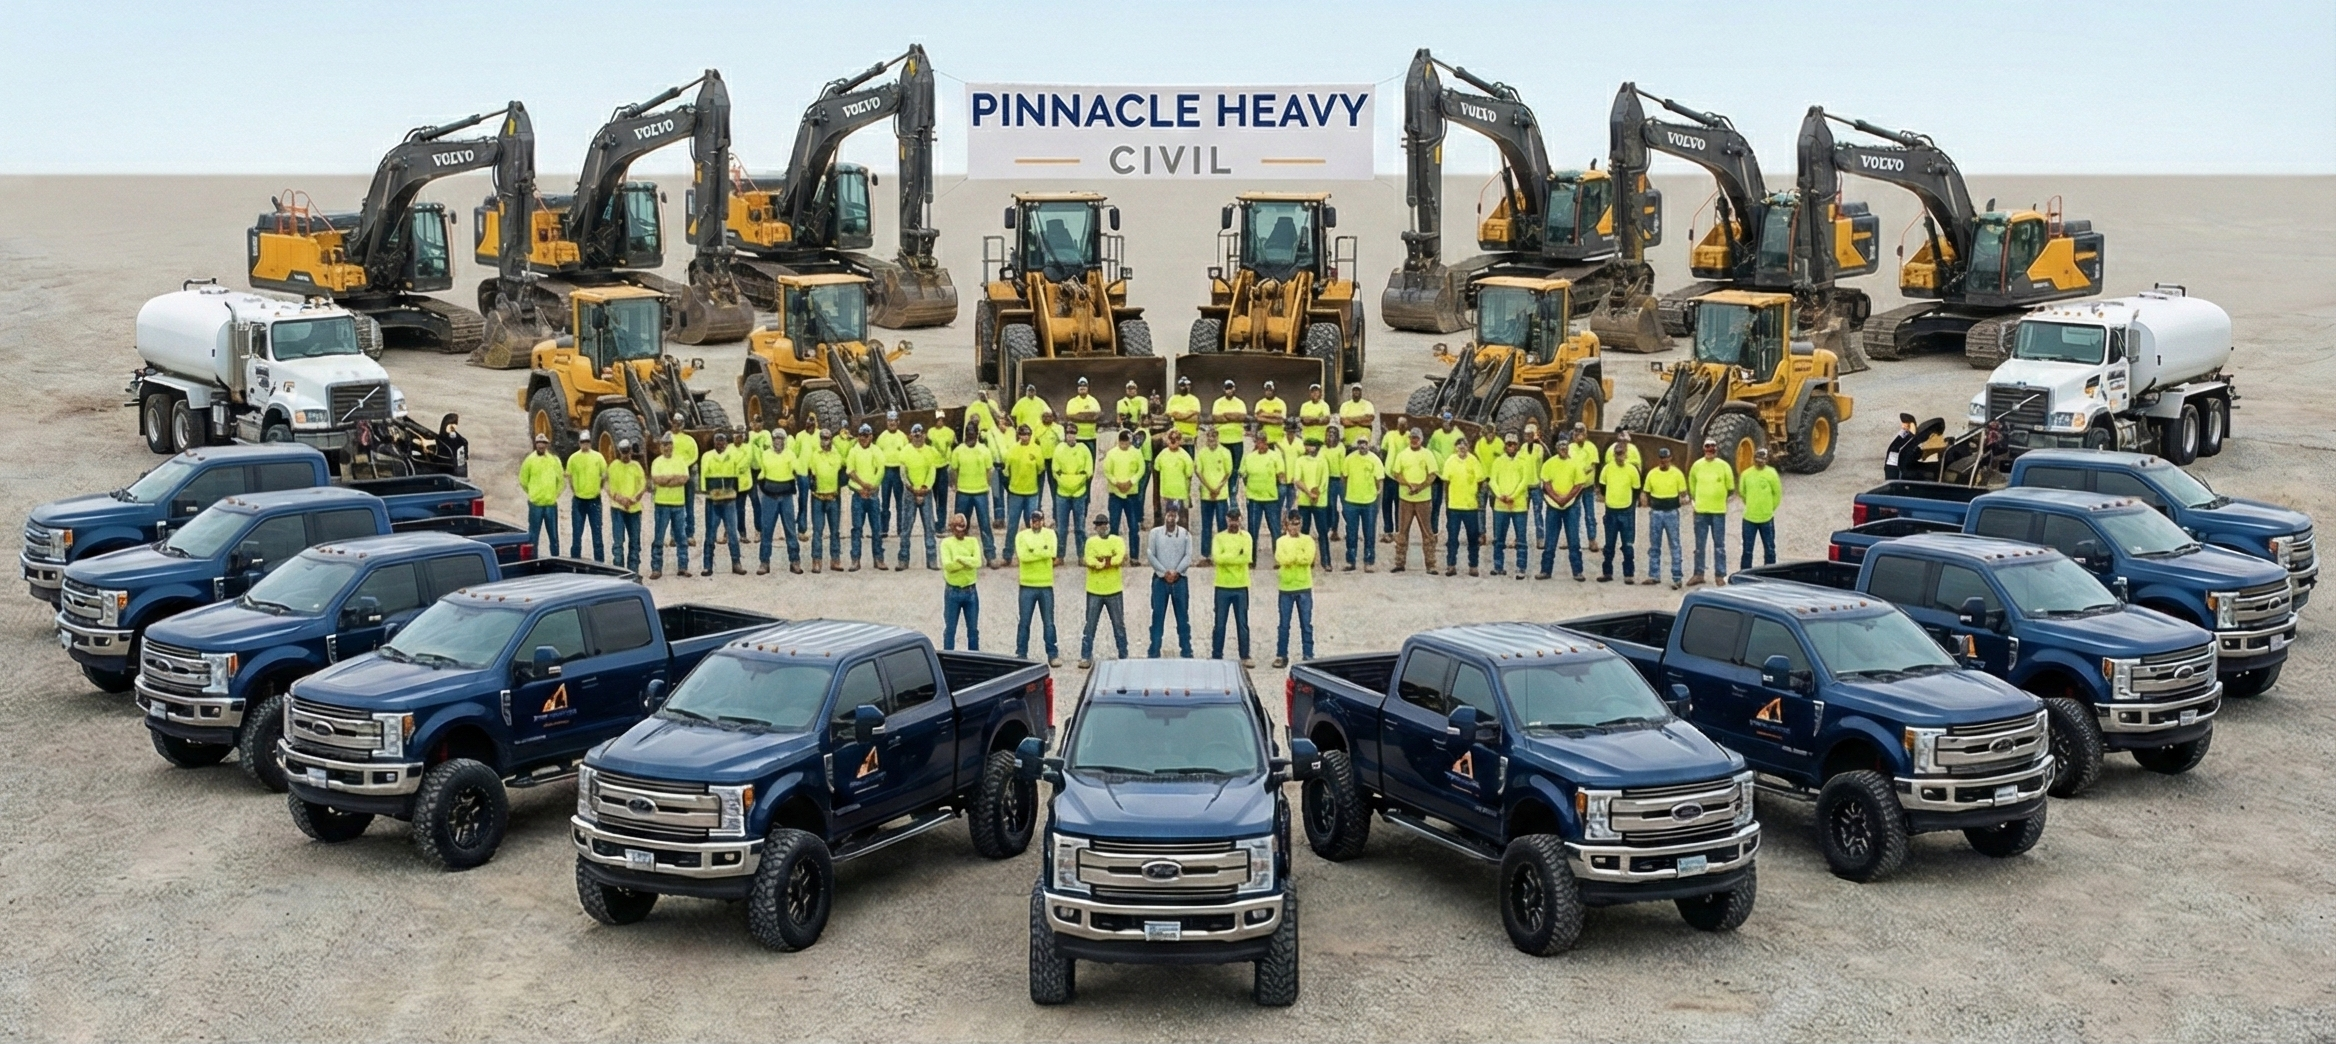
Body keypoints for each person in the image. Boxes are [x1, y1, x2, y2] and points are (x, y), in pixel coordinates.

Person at [1078, 514, 1129, 668]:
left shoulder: (1117, 540)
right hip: (1095, 590)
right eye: (1099, 525)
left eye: (1105, 524)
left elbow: (1120, 557)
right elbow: (1089, 560)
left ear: (1108, 525)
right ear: (1095, 527)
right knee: (1090, 625)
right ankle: (1086, 656)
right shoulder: (1090, 542)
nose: (1102, 527)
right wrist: (1107, 562)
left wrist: (1102, 561)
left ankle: (1124, 655)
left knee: (1119, 625)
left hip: (1114, 589)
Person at [1145, 503, 1195, 658]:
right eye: (1169, 514)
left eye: (1174, 514)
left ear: (1178, 516)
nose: (1171, 517)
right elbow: (1150, 554)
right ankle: (1154, 650)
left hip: (1180, 580)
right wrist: (1163, 572)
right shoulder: (1155, 533)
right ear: (1165, 515)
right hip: (1160, 580)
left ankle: (1186, 650)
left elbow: (1188, 556)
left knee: (1182, 618)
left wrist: (1177, 571)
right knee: (1157, 616)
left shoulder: (1186, 535)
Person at [753, 421, 802, 574]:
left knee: (790, 530)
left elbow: (798, 469)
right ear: (772, 440)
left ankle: (794, 561)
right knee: (767, 530)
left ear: (785, 440)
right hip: (769, 498)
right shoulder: (765, 454)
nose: (778, 442)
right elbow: (761, 473)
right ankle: (764, 562)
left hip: (786, 497)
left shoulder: (790, 454)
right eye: (775, 439)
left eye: (781, 439)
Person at [1688, 436, 1737, 586]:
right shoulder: (1696, 466)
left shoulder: (1724, 466)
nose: (1710, 450)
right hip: (1701, 512)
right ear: (1704, 449)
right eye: (1707, 447)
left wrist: (1718, 500)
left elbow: (1730, 488)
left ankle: (1720, 575)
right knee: (1699, 545)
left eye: (1713, 447)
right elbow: (1692, 486)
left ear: (1716, 449)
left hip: (1718, 512)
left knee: (1719, 545)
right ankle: (1698, 574)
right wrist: (1698, 502)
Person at [1537, 436, 1587, 581]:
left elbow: (1579, 485)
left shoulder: (1575, 464)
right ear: (1556, 448)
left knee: (1574, 540)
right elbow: (1546, 483)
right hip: (1553, 506)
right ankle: (1545, 570)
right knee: (1550, 540)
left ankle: (1577, 571)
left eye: (1565, 447)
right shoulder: (1549, 464)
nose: (1563, 449)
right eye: (1560, 446)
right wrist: (1556, 498)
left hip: (1571, 506)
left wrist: (1565, 499)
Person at [1390, 428, 1440, 573]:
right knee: (1402, 531)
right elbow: (1396, 473)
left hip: (1423, 499)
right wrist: (1408, 484)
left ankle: (1431, 565)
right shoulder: (1402, 455)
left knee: (1427, 531)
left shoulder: (1427, 454)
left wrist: (1420, 486)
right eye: (1412, 437)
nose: (1414, 440)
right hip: (1405, 498)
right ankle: (1399, 563)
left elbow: (1432, 475)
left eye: (1416, 438)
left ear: (1421, 439)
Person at [1014, 512, 1061, 667]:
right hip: (1027, 584)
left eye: (1039, 520)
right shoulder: (1021, 536)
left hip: (1045, 584)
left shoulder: (1050, 534)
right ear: (1030, 521)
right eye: (1034, 520)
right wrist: (1042, 551)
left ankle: (1052, 653)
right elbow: (1023, 556)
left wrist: (1033, 550)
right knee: (1024, 621)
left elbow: (1052, 553)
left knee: (1048, 622)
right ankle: (1021, 653)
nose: (1036, 523)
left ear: (1043, 521)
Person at [950, 420, 998, 566]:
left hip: (980, 493)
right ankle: (959, 555)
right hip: (963, 493)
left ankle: (990, 556)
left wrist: (987, 484)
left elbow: (990, 470)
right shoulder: (958, 451)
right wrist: (956, 485)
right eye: (967, 433)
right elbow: (954, 470)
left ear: (977, 434)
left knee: (985, 524)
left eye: (972, 433)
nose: (969, 435)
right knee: (960, 525)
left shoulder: (984, 450)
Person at [698, 431, 746, 575]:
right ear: (714, 443)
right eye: (717, 441)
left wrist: (737, 491)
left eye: (723, 441)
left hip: (729, 500)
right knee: (710, 533)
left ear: (727, 443)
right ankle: (707, 565)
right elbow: (703, 475)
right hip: (713, 501)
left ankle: (736, 563)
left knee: (732, 532)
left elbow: (739, 471)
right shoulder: (707, 456)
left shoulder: (733, 456)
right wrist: (706, 492)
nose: (720, 444)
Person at [1272, 514, 1316, 668]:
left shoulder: (1308, 540)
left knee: (1306, 623)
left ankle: (1308, 654)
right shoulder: (1280, 541)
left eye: (1297, 524)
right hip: (1286, 587)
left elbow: (1309, 559)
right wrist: (1298, 555)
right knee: (1284, 624)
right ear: (1287, 524)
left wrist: (1292, 558)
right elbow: (1282, 559)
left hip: (1304, 586)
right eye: (1292, 524)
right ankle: (1281, 654)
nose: (1295, 527)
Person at [896, 424, 942, 570]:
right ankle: (903, 559)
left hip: (926, 493)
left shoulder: (930, 451)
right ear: (910, 435)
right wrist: (912, 489)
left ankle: (932, 559)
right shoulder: (905, 452)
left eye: (920, 434)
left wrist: (925, 488)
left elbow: (932, 471)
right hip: (909, 493)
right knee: (906, 527)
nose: (917, 437)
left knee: (929, 527)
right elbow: (903, 473)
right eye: (914, 434)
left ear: (924, 435)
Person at [1210, 512, 1254, 667]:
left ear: (1240, 520)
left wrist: (1227, 557)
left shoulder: (1247, 537)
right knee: (1220, 623)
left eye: (1236, 519)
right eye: (1231, 520)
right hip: (1222, 585)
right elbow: (1217, 558)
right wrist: (1236, 554)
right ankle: (1216, 654)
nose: (1234, 523)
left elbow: (1247, 557)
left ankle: (1245, 655)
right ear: (1227, 519)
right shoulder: (1219, 538)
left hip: (1241, 585)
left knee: (1242, 622)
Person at [1488, 433, 1534, 578]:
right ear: (1505, 445)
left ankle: (1521, 567)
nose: (1511, 446)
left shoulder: (1523, 460)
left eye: (1514, 444)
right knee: (1498, 539)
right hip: (1500, 506)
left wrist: (1512, 496)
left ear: (1517, 445)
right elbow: (1492, 480)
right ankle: (1498, 566)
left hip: (1519, 505)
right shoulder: (1498, 461)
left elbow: (1525, 480)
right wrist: (1500, 495)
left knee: (1521, 539)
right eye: (1509, 444)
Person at [1598, 432, 1642, 583]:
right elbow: (1603, 487)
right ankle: (1607, 572)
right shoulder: (1607, 469)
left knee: (1627, 546)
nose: (1620, 456)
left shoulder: (1632, 470)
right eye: (1617, 454)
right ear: (1614, 454)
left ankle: (1628, 574)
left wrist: (1629, 502)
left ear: (1626, 454)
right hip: (1611, 511)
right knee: (1609, 545)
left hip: (1626, 511)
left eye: (1622, 453)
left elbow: (1636, 489)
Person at [1440, 433, 1485, 576]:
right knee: (1452, 538)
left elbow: (1480, 480)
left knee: (1473, 538)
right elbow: (1446, 483)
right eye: (1459, 446)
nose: (1462, 448)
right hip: (1454, 507)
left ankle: (1473, 566)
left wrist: (1474, 496)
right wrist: (1447, 502)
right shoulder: (1450, 461)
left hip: (1470, 507)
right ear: (1455, 448)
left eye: (1464, 445)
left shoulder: (1473, 461)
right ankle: (1451, 565)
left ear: (1468, 447)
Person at [1641, 447, 1686, 588]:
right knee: (1654, 545)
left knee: (1674, 545)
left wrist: (1684, 499)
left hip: (1671, 512)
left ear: (1670, 458)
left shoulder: (1677, 474)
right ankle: (1654, 575)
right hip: (1656, 513)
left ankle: (1677, 577)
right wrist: (1643, 500)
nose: (1663, 460)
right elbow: (1645, 491)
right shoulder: (1652, 474)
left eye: (1665, 458)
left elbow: (1683, 493)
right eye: (1661, 458)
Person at [845, 424, 888, 570]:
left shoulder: (876, 451)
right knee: (857, 528)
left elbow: (881, 469)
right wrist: (863, 485)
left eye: (866, 435)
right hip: (858, 495)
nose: (863, 438)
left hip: (873, 495)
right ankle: (855, 560)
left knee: (877, 528)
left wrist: (873, 486)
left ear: (871, 436)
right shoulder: (853, 451)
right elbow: (850, 471)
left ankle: (879, 559)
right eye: (861, 435)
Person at [1050, 424, 1095, 564]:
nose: (1071, 435)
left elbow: (1088, 472)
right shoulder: (1059, 449)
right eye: (1068, 433)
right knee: (1061, 528)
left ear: (1077, 434)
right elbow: (1055, 471)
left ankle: (1081, 556)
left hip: (1079, 494)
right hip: (1062, 494)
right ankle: (1060, 556)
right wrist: (1073, 479)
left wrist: (1071, 480)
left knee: (1080, 527)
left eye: (1073, 433)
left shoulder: (1084, 449)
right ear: (1065, 434)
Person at [648, 434, 691, 579]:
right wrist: (673, 478)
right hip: (662, 504)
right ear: (661, 447)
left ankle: (683, 567)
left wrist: (667, 480)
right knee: (659, 538)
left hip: (678, 504)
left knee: (681, 537)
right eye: (664, 445)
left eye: (669, 444)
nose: (667, 447)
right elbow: (656, 479)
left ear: (673, 445)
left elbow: (684, 478)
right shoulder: (656, 462)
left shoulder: (680, 460)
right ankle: (656, 568)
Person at [940, 514, 982, 650]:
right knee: (950, 630)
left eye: (963, 529)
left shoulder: (973, 541)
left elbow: (977, 562)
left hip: (970, 591)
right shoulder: (946, 543)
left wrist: (959, 559)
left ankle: (974, 660)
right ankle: (948, 658)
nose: (961, 532)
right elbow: (948, 566)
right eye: (957, 529)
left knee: (973, 630)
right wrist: (967, 561)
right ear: (952, 528)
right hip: (953, 591)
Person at [1339, 440, 1383, 571]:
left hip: (1369, 502)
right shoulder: (1349, 459)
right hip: (1352, 501)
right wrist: (1346, 495)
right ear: (1357, 445)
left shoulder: (1375, 460)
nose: (1362, 446)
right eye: (1360, 443)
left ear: (1368, 445)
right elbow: (1344, 477)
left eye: (1365, 443)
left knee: (1369, 532)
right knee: (1351, 532)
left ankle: (1369, 562)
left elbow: (1380, 480)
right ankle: (1350, 561)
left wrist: (1377, 495)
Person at [807, 428, 846, 572]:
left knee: (835, 531)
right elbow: (811, 471)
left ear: (831, 439)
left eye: (828, 438)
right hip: (818, 497)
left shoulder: (837, 455)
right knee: (817, 531)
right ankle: (816, 560)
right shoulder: (814, 455)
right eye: (823, 438)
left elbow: (844, 467)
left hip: (833, 497)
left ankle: (835, 560)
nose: (825, 441)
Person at [605, 439, 647, 573]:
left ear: (631, 451)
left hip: (634, 509)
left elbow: (642, 484)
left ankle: (633, 572)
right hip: (618, 508)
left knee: (634, 542)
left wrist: (634, 499)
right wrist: (619, 498)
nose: (625, 454)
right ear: (619, 452)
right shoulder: (613, 466)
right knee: (618, 543)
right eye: (623, 452)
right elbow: (608, 485)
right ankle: (619, 571)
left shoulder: (636, 466)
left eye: (627, 451)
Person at [1101, 427, 1148, 545]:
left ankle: (1134, 557)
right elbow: (1107, 471)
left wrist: (1131, 482)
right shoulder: (1111, 454)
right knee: (1114, 526)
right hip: (1115, 494)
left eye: (1126, 441)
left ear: (1130, 441)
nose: (1123, 444)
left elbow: (1141, 469)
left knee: (1133, 526)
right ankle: (1113, 553)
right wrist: (1116, 483)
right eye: (1121, 441)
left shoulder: (1136, 453)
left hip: (1131, 494)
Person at [1739, 447, 1782, 571]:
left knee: (1769, 549)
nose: (1759, 461)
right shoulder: (1746, 474)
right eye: (1757, 459)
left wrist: (1769, 508)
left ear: (1767, 459)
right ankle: (1745, 573)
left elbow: (1777, 494)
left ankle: (1770, 574)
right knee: (1747, 550)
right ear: (1753, 459)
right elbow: (1742, 492)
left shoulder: (1772, 473)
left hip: (1766, 519)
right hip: (1749, 519)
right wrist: (1752, 505)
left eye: (1762, 459)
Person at [1193, 427, 1234, 556]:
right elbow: (1198, 472)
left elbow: (1228, 472)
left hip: (1221, 495)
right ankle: (1205, 555)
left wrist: (1217, 488)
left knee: (1222, 525)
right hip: (1206, 495)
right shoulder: (1201, 453)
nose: (1211, 439)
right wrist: (1210, 488)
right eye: (1209, 436)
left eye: (1214, 436)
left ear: (1217, 437)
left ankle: (1222, 553)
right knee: (1206, 526)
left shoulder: (1225, 452)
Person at [519, 434, 562, 558]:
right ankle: (533, 561)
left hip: (550, 504)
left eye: (543, 443)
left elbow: (560, 481)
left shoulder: (554, 460)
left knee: (554, 537)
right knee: (533, 536)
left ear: (547, 445)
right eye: (539, 443)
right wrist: (532, 493)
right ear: (535, 444)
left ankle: (556, 559)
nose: (541, 445)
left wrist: (554, 494)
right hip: (535, 505)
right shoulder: (529, 460)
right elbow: (523, 480)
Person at [565, 436, 607, 561]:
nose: (585, 444)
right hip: (579, 501)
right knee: (577, 535)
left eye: (587, 441)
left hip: (594, 500)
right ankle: (575, 562)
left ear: (590, 442)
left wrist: (598, 488)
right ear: (579, 443)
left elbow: (604, 475)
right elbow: (570, 477)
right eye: (583, 442)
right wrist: (575, 491)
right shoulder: (573, 458)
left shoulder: (598, 457)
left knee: (597, 535)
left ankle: (600, 564)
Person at [1001, 423, 1046, 537]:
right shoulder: (1012, 449)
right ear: (1018, 435)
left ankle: (1033, 548)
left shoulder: (1036, 449)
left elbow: (1041, 469)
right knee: (1012, 524)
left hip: (1032, 492)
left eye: (1028, 434)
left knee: (1032, 523)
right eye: (1022, 434)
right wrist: (1011, 487)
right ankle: (1008, 551)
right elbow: (1006, 471)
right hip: (1015, 493)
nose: (1025, 437)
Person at [1240, 429, 1284, 545]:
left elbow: (1281, 475)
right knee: (1252, 531)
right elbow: (1243, 474)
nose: (1262, 444)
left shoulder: (1275, 456)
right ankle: (1251, 560)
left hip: (1271, 499)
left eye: (1264, 441)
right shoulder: (1249, 457)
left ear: (1267, 442)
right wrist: (1249, 487)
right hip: (1254, 499)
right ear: (1256, 442)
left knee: (1275, 530)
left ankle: (1279, 559)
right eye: (1259, 441)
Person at [1564, 424, 1603, 553]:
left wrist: (1580, 474)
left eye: (1581, 432)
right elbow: (1567, 465)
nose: (1579, 434)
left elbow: (1592, 466)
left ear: (1586, 433)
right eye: (1576, 432)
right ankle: (1572, 540)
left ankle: (1592, 539)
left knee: (1590, 514)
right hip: (1574, 487)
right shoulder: (1570, 448)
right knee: (1573, 514)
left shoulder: (1591, 447)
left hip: (1587, 486)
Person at [1291, 438, 1333, 548]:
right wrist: (1309, 494)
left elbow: (1324, 482)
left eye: (1311, 445)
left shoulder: (1323, 461)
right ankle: (1304, 556)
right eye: (1307, 445)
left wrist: (1316, 493)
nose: (1309, 448)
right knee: (1304, 531)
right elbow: (1297, 480)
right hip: (1304, 501)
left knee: (1322, 531)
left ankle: (1326, 561)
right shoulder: (1300, 460)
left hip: (1320, 502)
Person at [667, 412, 699, 548]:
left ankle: (689, 534)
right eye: (675, 423)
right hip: (673, 475)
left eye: (679, 423)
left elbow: (694, 455)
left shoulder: (689, 440)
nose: (677, 426)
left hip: (687, 475)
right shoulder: (668, 438)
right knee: (675, 506)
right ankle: (674, 535)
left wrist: (683, 465)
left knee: (689, 505)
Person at [1153, 429, 1194, 525]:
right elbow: (1156, 469)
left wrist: (1188, 496)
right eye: (1171, 438)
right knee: (1166, 523)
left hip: (1181, 496)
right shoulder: (1162, 454)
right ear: (1166, 440)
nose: (1173, 440)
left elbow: (1189, 475)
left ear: (1180, 441)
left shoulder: (1185, 456)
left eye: (1177, 438)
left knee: (1182, 523)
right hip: (1165, 495)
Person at [1211, 380, 1250, 474]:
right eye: (1227, 388)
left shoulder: (1240, 403)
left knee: (1235, 468)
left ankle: (1233, 488)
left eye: (1231, 388)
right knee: (1222, 468)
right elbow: (1217, 417)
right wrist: (1234, 417)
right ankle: (1223, 487)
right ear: (1224, 389)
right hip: (1222, 440)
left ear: (1234, 388)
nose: (1229, 390)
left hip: (1237, 440)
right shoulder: (1218, 402)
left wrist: (1226, 415)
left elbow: (1242, 417)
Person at [1065, 377, 1103, 452]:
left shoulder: (1093, 401)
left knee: (1091, 459)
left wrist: (1080, 415)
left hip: (1091, 437)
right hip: (1076, 437)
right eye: (1080, 385)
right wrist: (1089, 416)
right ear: (1077, 387)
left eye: (1084, 385)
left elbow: (1097, 416)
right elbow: (1070, 416)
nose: (1082, 387)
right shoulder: (1072, 402)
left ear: (1088, 387)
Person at [1165, 375, 1203, 443]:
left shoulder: (1194, 400)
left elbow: (1194, 419)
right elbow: (1168, 416)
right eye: (1182, 385)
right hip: (1175, 436)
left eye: (1187, 385)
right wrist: (1189, 414)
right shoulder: (1172, 399)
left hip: (1190, 435)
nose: (1184, 387)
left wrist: (1177, 416)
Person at [1885, 412, 1920, 480]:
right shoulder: (1904, 435)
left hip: (1892, 465)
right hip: (1894, 468)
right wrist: (1912, 432)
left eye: (1905, 424)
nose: (1903, 426)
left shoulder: (1903, 434)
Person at [1338, 383, 1375, 448]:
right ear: (1352, 392)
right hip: (1349, 438)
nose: (1356, 392)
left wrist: (1351, 419)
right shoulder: (1345, 405)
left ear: (1361, 392)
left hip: (1364, 437)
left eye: (1358, 390)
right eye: (1354, 390)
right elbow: (1344, 421)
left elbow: (1369, 419)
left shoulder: (1368, 404)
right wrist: (1362, 420)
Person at [1254, 381, 1289, 448]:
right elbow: (1258, 418)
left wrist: (1264, 415)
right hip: (1264, 439)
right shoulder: (1259, 403)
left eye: (1270, 390)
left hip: (1279, 439)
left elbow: (1281, 420)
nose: (1268, 392)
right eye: (1266, 390)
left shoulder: (1281, 403)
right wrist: (1274, 416)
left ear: (1274, 390)